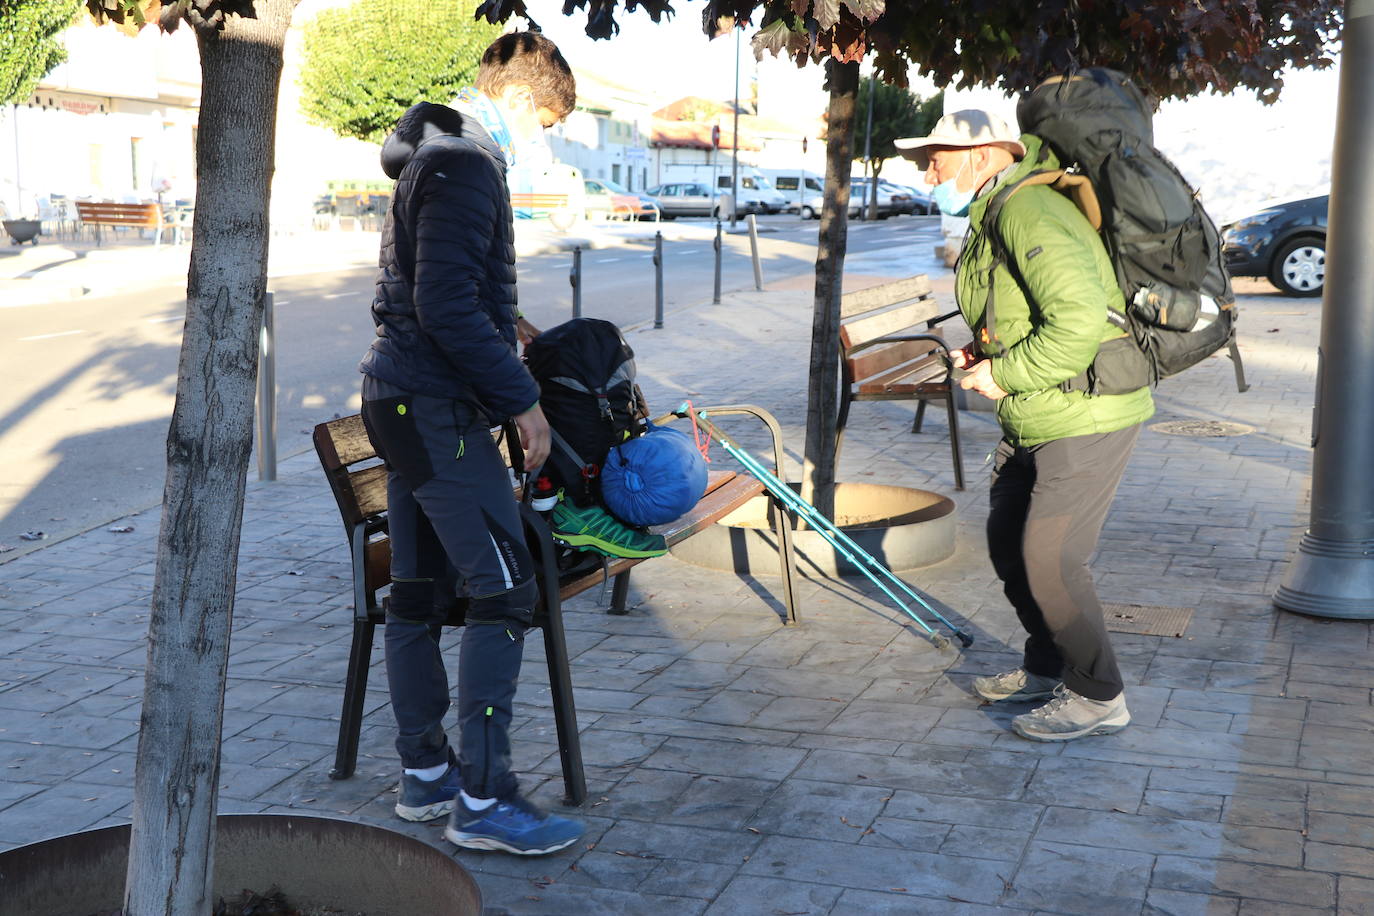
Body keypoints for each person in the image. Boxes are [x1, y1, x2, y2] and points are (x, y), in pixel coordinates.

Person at [357, 31, 584, 855]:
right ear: (523, 99)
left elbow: (444, 292)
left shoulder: (438, 158)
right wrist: (523, 402)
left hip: (405, 400)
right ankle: (484, 801)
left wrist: (510, 331)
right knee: (506, 589)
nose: (545, 141)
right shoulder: (467, 166)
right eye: (550, 124)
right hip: (432, 407)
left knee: (417, 591)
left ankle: (426, 777)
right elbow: (445, 306)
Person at [896, 111, 1154, 742]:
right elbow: (1023, 314)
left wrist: (1004, 375)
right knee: (1010, 543)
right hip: (1041, 411)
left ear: (982, 155)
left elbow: (1075, 322)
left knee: (1053, 559)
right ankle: (1047, 668)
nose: (925, 169)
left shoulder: (1028, 212)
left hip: (1085, 413)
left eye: (935, 156)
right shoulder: (998, 210)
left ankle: (1099, 697)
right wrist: (986, 357)